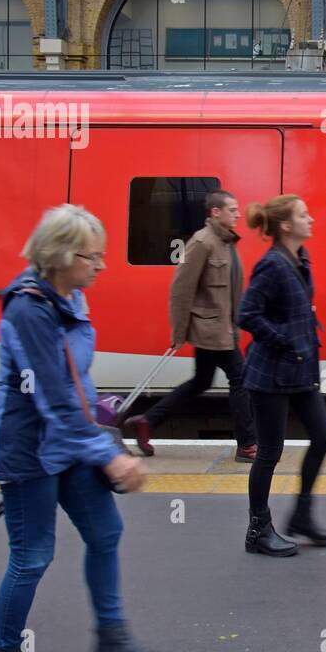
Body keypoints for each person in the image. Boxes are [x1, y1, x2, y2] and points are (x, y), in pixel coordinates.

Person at [0, 204, 171, 652]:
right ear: (62, 255)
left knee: (105, 534)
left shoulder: (69, 297)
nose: (101, 265)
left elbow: (74, 383)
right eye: (92, 256)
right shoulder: (29, 309)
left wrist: (99, 423)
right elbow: (52, 398)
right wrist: (110, 454)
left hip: (71, 445)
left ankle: (112, 637)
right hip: (29, 451)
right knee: (31, 556)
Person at [124, 190, 257, 462]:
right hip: (212, 331)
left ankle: (147, 421)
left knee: (201, 380)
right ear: (215, 212)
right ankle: (247, 444)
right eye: (232, 209)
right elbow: (180, 289)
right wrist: (178, 332)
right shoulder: (201, 242)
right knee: (240, 379)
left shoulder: (226, 242)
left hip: (223, 329)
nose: (238, 214)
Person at [238, 195, 326, 556]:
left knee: (324, 436)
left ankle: (302, 516)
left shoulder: (300, 259)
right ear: (286, 225)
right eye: (303, 215)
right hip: (270, 374)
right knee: (269, 453)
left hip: (299, 368)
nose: (311, 219)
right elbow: (247, 315)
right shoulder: (272, 266)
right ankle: (258, 530)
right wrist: (284, 340)